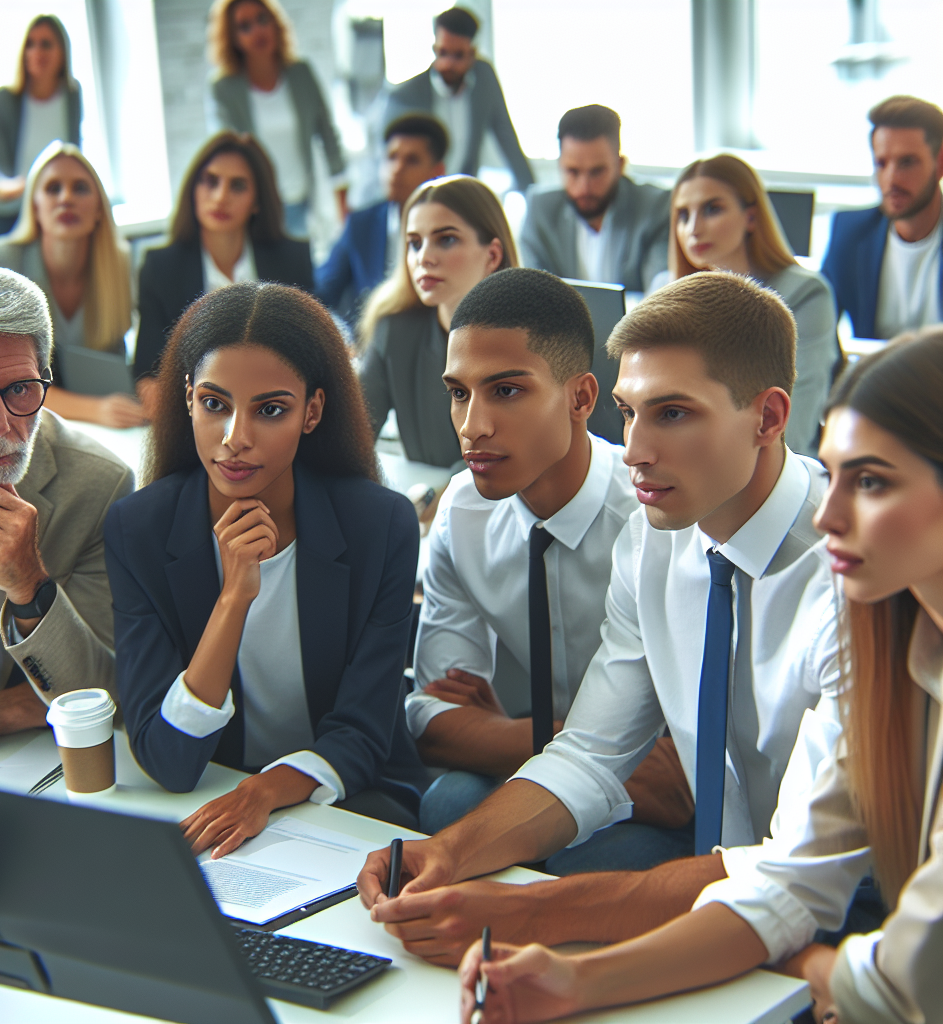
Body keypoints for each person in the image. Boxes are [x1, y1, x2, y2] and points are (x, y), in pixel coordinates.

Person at [455, 329, 943, 1024]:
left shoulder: (842, 598)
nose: (830, 517)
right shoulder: (901, 630)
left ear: (769, 421)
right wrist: (574, 981)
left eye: (870, 482)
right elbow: (788, 883)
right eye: (835, 476)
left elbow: (899, 982)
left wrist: (811, 965)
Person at [358, 272, 842, 956]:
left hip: (851, 913)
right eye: (630, 410)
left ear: (767, 417)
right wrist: (443, 855)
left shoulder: (846, 566)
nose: (636, 449)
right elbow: (590, 756)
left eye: (672, 413)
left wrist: (528, 913)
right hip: (733, 893)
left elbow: (802, 868)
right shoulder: (654, 538)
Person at [105, 282, 427, 854]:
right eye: (214, 404)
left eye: (271, 409)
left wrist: (265, 791)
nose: (235, 440)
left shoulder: (379, 525)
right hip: (210, 790)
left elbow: (364, 733)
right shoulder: (140, 530)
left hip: (344, 795)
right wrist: (233, 599)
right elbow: (167, 759)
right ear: (186, 398)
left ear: (313, 412)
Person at [411, 268, 692, 837]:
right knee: (446, 803)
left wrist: (506, 733)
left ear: (581, 398)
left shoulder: (655, 519)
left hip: (655, 809)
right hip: (565, 771)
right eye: (458, 393)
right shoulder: (462, 513)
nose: (473, 426)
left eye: (506, 391)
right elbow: (432, 723)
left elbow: (677, 783)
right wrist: (550, 738)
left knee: (592, 853)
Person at [0, 263, 133, 761]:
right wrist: (2, 710)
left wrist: (29, 585)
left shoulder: (99, 486)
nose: (0, 426)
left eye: (20, 389)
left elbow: (105, 698)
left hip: (40, 769)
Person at [670, 154, 839, 457]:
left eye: (712, 209)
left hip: (778, 472)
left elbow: (794, 429)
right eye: (683, 215)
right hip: (692, 464)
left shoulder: (804, 293)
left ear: (750, 217)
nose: (693, 228)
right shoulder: (667, 291)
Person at [134, 131, 313, 407]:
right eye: (210, 182)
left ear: (257, 201)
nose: (220, 197)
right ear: (193, 189)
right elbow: (147, 379)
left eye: (238, 186)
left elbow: (310, 362)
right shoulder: (161, 268)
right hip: (193, 420)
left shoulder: (291, 260)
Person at [357, 175, 518, 472]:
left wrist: (446, 492)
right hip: (426, 510)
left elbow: (525, 451)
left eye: (446, 239)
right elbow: (349, 436)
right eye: (414, 243)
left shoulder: (527, 339)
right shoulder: (394, 330)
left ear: (493, 255)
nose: (424, 258)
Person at [0, 142, 143, 430]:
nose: (66, 198)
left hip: (98, 428)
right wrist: (96, 410)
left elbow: (111, 364)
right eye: (53, 188)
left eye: (80, 188)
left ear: (98, 210)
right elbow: (6, 382)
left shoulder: (118, 265)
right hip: (18, 423)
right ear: (35, 206)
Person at [207, 0, 348, 237]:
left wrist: (342, 199)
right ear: (232, 37)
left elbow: (328, 136)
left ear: (275, 22)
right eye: (245, 26)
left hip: (301, 201)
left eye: (262, 19)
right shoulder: (224, 89)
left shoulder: (301, 74)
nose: (257, 31)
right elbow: (226, 151)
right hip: (255, 208)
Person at [822, 95, 943, 340]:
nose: (891, 179)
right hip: (874, 377)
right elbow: (815, 326)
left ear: (939, 163)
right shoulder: (850, 232)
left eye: (907, 162)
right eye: (881, 163)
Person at [383, 7, 533, 193]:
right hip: (420, 196)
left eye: (458, 55)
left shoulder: (484, 79)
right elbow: (387, 162)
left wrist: (532, 194)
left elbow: (507, 138)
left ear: (472, 53)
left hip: (463, 195)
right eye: (442, 53)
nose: (448, 64)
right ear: (434, 49)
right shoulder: (406, 96)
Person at [520, 105, 668, 293]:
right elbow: (534, 294)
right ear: (559, 166)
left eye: (597, 172)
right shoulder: (539, 210)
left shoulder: (655, 207)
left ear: (620, 165)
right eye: (573, 172)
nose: (584, 187)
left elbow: (660, 290)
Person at [316, 114, 447, 321]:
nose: (397, 169)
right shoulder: (361, 223)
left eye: (412, 160)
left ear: (438, 172)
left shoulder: (449, 229)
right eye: (392, 157)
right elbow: (321, 291)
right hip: (368, 341)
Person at [0, 15, 81, 240]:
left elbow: (73, 152)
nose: (37, 52)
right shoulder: (2, 101)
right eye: (30, 44)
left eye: (46, 44)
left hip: (49, 210)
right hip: (4, 214)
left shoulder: (71, 95)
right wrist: (13, 187)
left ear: (62, 51)